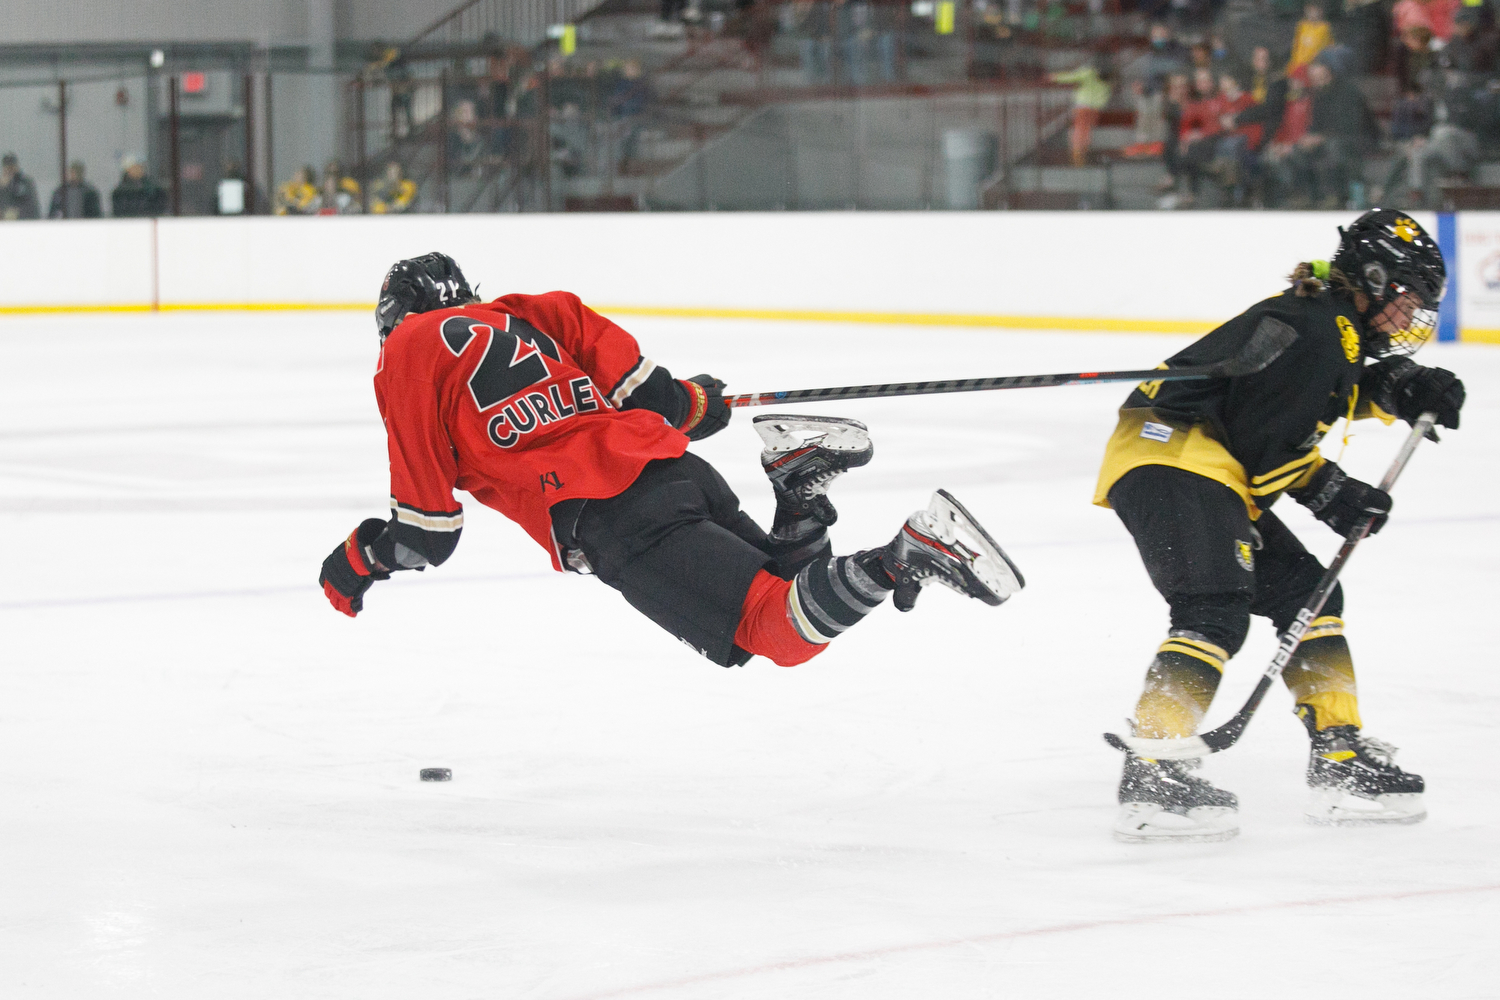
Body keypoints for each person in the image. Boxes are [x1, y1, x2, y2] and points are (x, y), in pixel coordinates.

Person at [318, 254, 1024, 672]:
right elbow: (663, 400)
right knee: (795, 584)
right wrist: (703, 402)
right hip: (673, 472)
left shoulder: (406, 352)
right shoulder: (537, 310)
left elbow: (426, 532)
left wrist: (359, 560)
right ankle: (800, 485)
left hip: (606, 514)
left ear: (392, 317)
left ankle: (912, 550)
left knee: (773, 634)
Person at [1093, 210, 1465, 842]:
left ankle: (1340, 753)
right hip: (1172, 458)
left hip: (1204, 465)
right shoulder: (1317, 329)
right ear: (1374, 281)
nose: (1411, 319)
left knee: (1310, 595)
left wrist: (1399, 387)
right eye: (1407, 301)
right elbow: (1270, 446)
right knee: (1212, 609)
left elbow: (1303, 401)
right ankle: (1153, 765)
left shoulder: (1330, 327)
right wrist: (1336, 493)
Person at [1050, 59, 1113, 167]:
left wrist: (1054, 77)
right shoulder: (1107, 80)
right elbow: (1106, 95)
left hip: (1083, 106)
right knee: (1086, 130)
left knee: (1079, 130)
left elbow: (1070, 77)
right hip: (1095, 108)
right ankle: (1082, 154)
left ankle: (1077, 156)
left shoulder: (1088, 73)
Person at [0, 153, 41, 220]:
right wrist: (3, 188)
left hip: (23, 224)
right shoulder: (2, 185)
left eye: (12, 167)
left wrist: (15, 213)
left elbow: (33, 208)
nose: (10, 170)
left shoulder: (26, 183)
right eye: (7, 167)